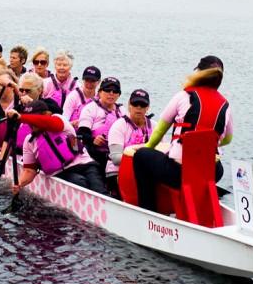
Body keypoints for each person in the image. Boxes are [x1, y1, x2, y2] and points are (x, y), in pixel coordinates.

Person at [132, 56, 233, 212]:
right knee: (209, 166)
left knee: (141, 157)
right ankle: (200, 205)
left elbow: (159, 131)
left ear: (198, 72)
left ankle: (148, 210)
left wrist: (148, 147)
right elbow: (227, 139)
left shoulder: (183, 96)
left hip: (180, 173)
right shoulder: (225, 105)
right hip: (212, 172)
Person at [8, 100, 108, 196]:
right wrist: (20, 184)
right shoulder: (29, 141)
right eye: (30, 121)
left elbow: (48, 122)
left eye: (35, 118)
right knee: (79, 182)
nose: (32, 123)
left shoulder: (58, 120)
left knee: (99, 189)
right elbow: (29, 170)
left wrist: (21, 117)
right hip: (62, 173)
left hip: (85, 165)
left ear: (46, 114)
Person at [106, 89, 156, 181]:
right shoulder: (119, 125)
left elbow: (163, 152)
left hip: (145, 172)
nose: (139, 107)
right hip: (117, 172)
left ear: (147, 107)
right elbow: (116, 159)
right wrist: (143, 156)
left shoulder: (154, 126)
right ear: (129, 105)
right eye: (135, 104)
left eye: (143, 104)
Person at [77, 76, 124, 171]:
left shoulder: (122, 111)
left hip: (115, 153)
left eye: (115, 91)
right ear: (100, 92)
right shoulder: (90, 108)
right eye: (107, 90)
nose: (111, 94)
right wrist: (93, 140)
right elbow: (82, 133)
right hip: (94, 152)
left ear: (119, 95)